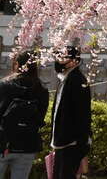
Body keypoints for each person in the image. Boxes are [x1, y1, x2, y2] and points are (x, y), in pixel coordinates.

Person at [0, 51, 49, 179]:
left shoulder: (4, 85)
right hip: (28, 144)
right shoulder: (41, 90)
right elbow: (40, 118)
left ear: (16, 64)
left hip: (3, 143)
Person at [51, 46, 91, 179]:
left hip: (71, 142)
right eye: (59, 57)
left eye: (64, 57)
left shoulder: (78, 81)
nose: (59, 61)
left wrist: (81, 143)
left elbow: (82, 114)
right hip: (62, 141)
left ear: (75, 61)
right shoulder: (65, 79)